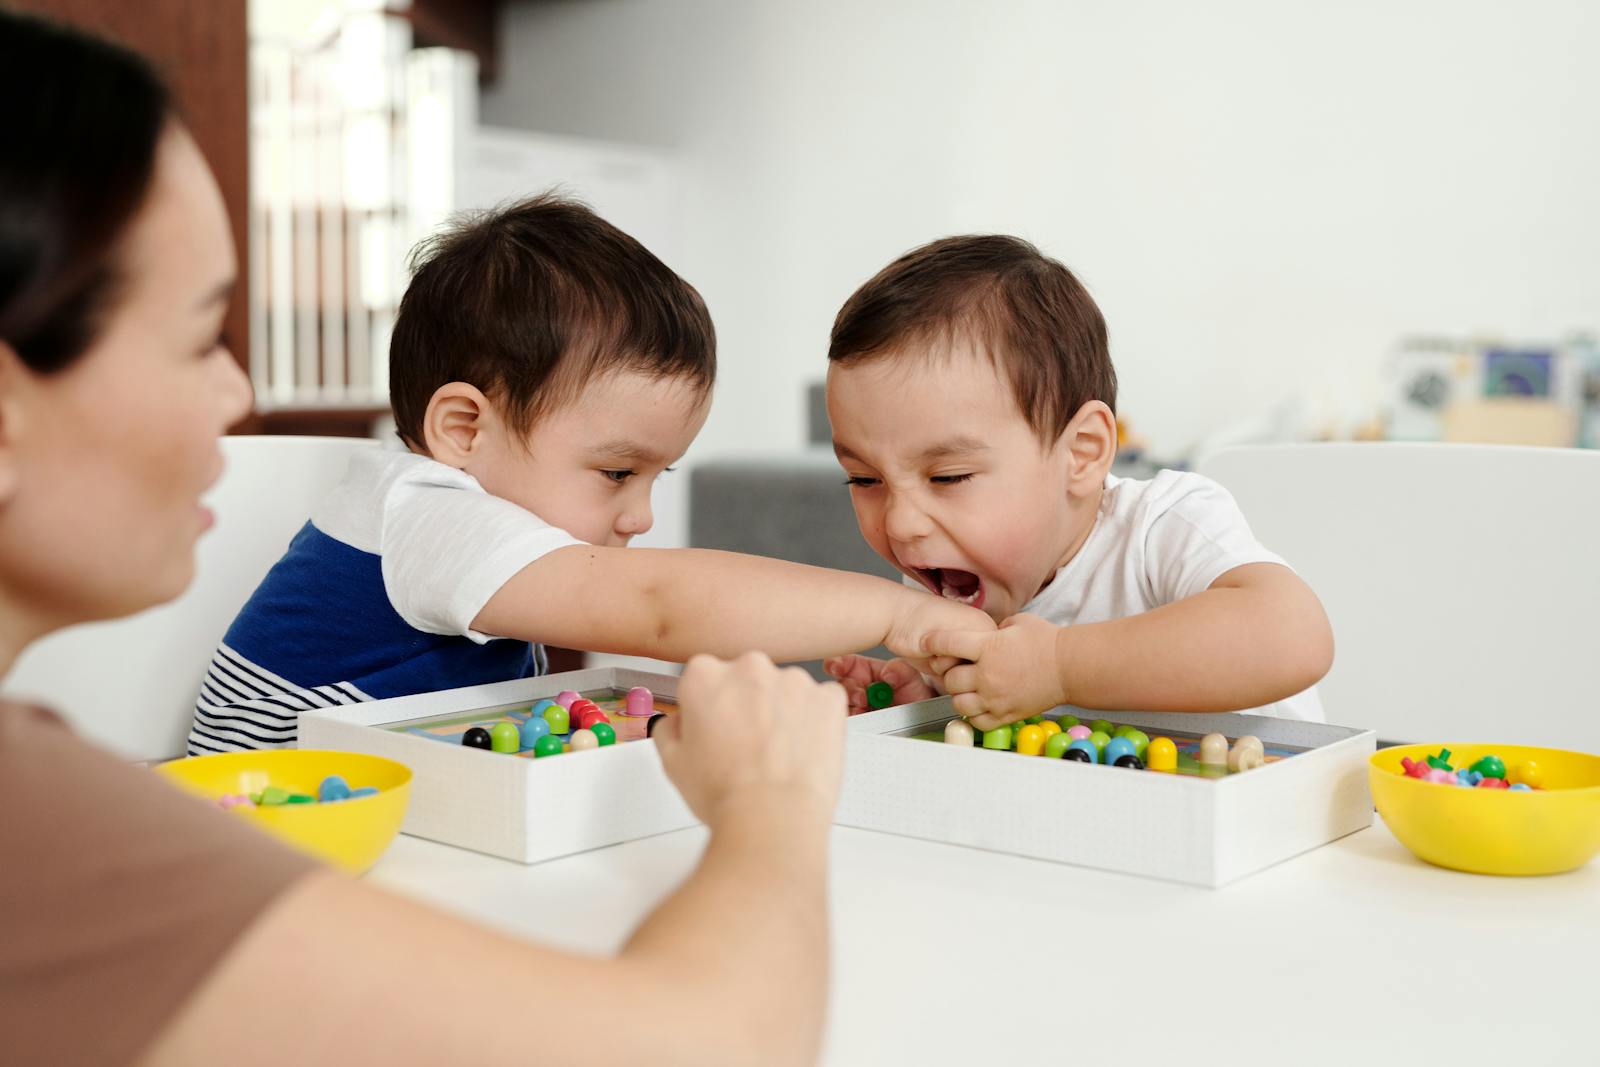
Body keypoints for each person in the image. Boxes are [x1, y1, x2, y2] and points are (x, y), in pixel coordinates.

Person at [0, 12, 842, 1064]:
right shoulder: (41, 830)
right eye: (196, 337)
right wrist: (771, 805)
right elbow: (706, 1042)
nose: (241, 390)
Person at [187, 193, 993, 754]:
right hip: (266, 832)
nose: (639, 515)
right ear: (463, 429)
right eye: (616, 472)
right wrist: (894, 613)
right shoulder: (426, 513)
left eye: (657, 475)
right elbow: (661, 607)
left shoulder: (473, 522)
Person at [821, 235, 1334, 730]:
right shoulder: (944, 579)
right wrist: (925, 704)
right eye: (864, 478)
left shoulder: (1162, 527)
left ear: (1081, 454)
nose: (901, 523)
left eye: (948, 477)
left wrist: (1058, 667)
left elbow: (1293, 635)